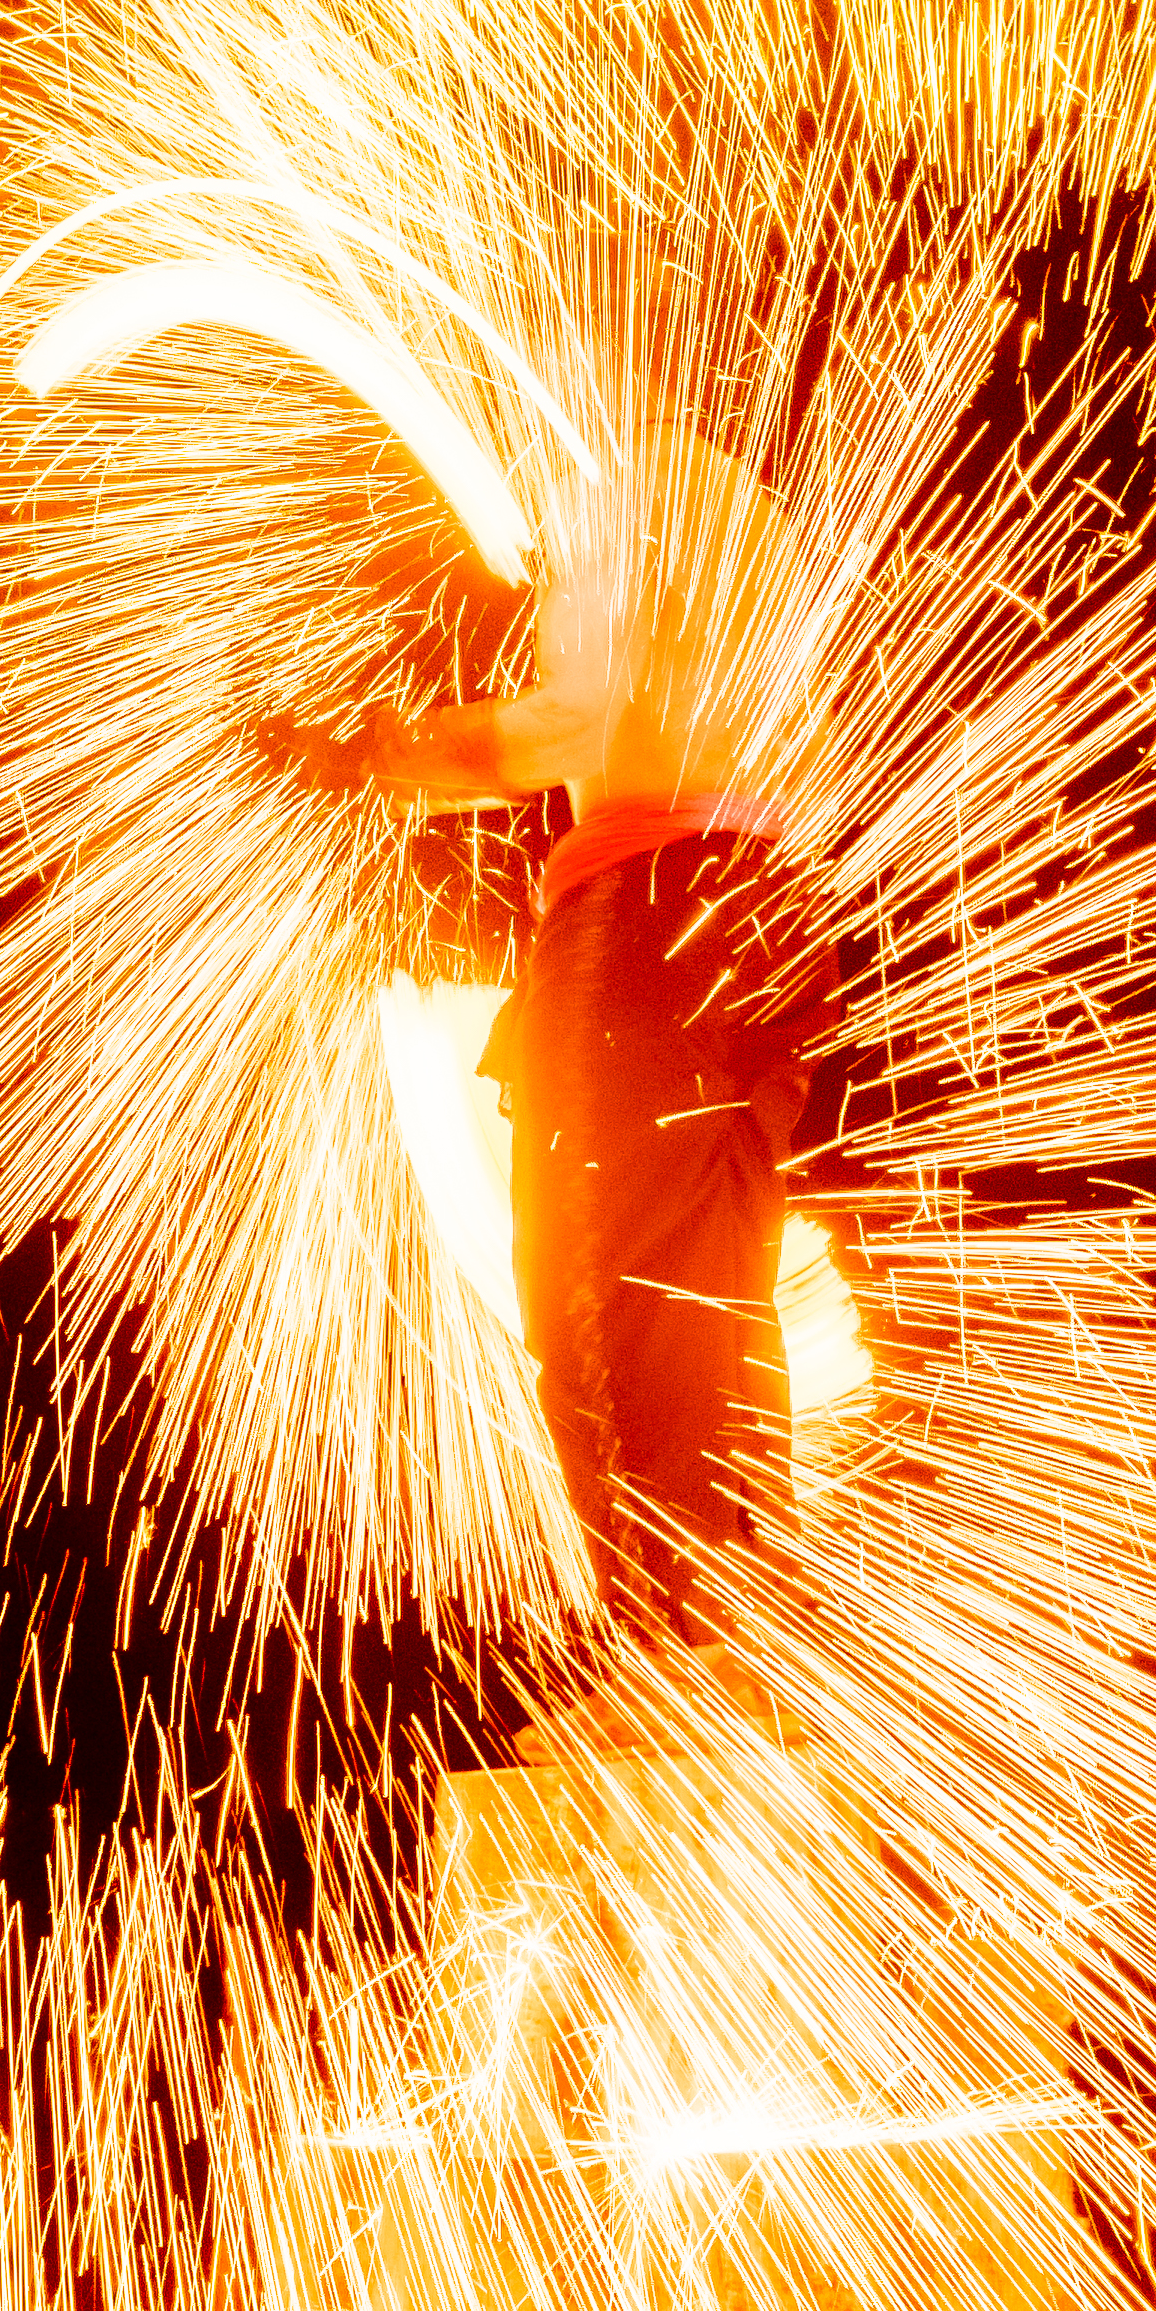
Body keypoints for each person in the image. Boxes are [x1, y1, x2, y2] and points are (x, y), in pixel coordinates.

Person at [260, 417, 836, 1636]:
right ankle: (745, 1626)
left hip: (645, 919)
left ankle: (686, 1645)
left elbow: (561, 726)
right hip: (747, 931)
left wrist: (362, 754)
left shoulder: (645, 491)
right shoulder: (745, 527)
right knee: (697, 1287)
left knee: (595, 1292)